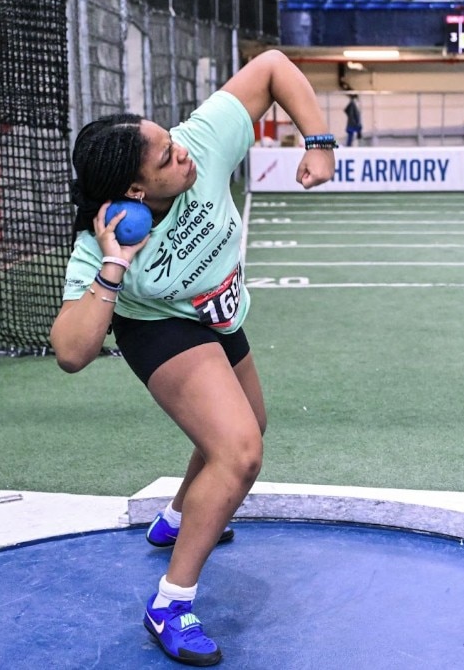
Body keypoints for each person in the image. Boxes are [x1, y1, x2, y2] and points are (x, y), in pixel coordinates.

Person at [50, 50, 335, 666]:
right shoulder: (99, 242)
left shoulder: (197, 141)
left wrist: (319, 141)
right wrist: (114, 263)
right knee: (239, 452)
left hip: (217, 311)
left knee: (245, 427)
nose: (184, 154)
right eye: (166, 157)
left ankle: (177, 518)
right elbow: (71, 353)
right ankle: (171, 603)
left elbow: (272, 68)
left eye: (171, 141)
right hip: (160, 328)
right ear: (134, 190)